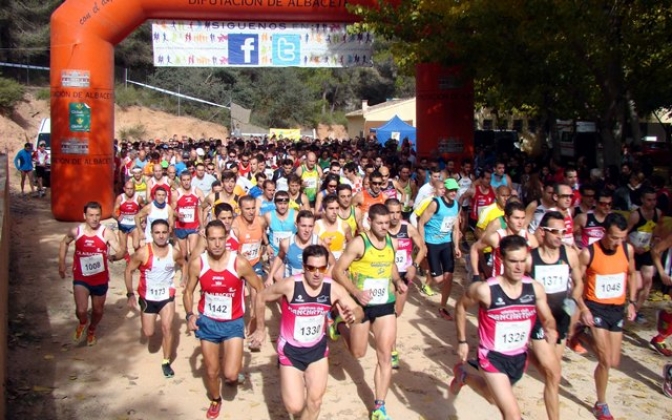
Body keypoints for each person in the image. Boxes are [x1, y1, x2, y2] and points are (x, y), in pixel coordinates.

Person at [452, 235, 557, 420]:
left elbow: (547, 317)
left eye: (523, 261)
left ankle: (464, 377)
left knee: (493, 397)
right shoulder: (485, 290)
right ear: (501, 258)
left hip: (518, 357)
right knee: (512, 414)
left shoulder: (535, 289)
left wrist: (550, 328)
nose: (519, 267)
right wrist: (462, 341)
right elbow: (461, 306)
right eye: (513, 261)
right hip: (491, 357)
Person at [251, 245, 362, 420]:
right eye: (311, 268)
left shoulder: (332, 288)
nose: (317, 273)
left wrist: (352, 316)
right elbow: (261, 297)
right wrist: (259, 329)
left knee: (315, 402)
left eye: (322, 268)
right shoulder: (290, 285)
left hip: (317, 350)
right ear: (304, 267)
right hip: (290, 350)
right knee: (294, 406)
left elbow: (358, 311)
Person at [331, 203, 407, 420]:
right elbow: (338, 271)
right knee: (358, 353)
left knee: (385, 355)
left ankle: (379, 407)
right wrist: (356, 291)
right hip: (361, 305)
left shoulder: (393, 241)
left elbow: (390, 264)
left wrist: (397, 280)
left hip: (385, 304)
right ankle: (338, 324)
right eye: (380, 223)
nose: (385, 226)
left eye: (387, 223)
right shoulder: (359, 243)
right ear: (370, 222)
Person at [184, 220, 264, 419]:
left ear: (227, 239)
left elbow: (259, 288)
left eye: (221, 239)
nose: (217, 244)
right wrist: (190, 315)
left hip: (232, 323)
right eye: (212, 239)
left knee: (230, 375)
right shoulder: (198, 263)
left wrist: (256, 318)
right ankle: (215, 399)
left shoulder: (239, 263)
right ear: (206, 240)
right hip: (208, 323)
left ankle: (235, 373)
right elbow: (187, 292)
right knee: (212, 372)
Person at [571, 213, 637, 420]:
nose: (618, 242)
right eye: (615, 237)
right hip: (596, 307)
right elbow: (576, 283)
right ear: (604, 233)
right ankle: (601, 403)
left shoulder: (627, 250)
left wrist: (632, 302)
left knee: (614, 360)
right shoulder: (589, 253)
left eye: (622, 238)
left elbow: (633, 274)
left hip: (616, 309)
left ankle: (580, 336)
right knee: (605, 361)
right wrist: (583, 308)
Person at [526, 211, 583, 420]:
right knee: (553, 375)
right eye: (555, 231)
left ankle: (523, 356)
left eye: (563, 231)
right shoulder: (529, 259)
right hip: (539, 320)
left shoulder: (569, 254)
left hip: (561, 318)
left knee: (552, 373)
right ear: (542, 232)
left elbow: (578, 284)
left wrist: (572, 305)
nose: (560, 235)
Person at [58, 201, 125, 346]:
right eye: (91, 215)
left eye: (97, 215)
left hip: (100, 279)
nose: (94, 219)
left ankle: (92, 330)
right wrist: (62, 264)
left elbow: (120, 251)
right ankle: (83, 322)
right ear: (84, 216)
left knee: (98, 310)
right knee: (81, 310)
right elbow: (64, 242)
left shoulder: (106, 233)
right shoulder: (77, 231)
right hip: (81, 277)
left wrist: (113, 257)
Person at [124, 219, 185, 378]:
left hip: (167, 296)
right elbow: (129, 270)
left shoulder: (174, 252)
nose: (161, 236)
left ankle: (166, 361)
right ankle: (148, 323)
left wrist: (183, 279)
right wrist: (130, 293)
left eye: (164, 232)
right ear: (151, 234)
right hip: (148, 297)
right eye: (157, 232)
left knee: (167, 328)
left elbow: (184, 264)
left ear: (168, 233)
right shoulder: (142, 253)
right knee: (149, 332)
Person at [385, 198, 426, 369]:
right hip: (386, 275)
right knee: (390, 314)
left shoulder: (407, 228)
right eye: (391, 212)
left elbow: (423, 248)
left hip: (404, 274)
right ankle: (392, 350)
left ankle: (383, 332)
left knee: (397, 312)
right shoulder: (382, 229)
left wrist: (414, 266)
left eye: (397, 212)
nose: (394, 216)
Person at [418, 179, 462, 320]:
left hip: (446, 243)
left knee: (448, 277)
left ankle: (443, 307)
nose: (454, 193)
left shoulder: (457, 205)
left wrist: (456, 246)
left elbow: (456, 228)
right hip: (432, 243)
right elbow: (421, 223)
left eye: (456, 190)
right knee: (438, 279)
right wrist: (422, 245)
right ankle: (428, 277)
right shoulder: (435, 204)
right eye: (451, 190)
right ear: (445, 190)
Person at [470, 201, 539, 281]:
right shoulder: (496, 237)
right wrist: (477, 273)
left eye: (523, 218)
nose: (520, 222)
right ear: (506, 218)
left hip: (521, 286)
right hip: (498, 285)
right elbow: (475, 248)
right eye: (516, 218)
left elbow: (538, 261)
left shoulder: (530, 239)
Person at [626, 187, 662, 323]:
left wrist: (655, 239)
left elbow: (656, 229)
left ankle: (635, 311)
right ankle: (630, 305)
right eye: (649, 200)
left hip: (646, 251)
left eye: (654, 200)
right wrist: (634, 248)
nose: (652, 203)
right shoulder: (636, 215)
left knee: (648, 282)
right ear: (642, 200)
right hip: (634, 253)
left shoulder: (657, 213)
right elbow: (624, 234)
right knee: (638, 285)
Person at [231, 195, 269, 278]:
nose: (251, 212)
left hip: (255, 263)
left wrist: (267, 244)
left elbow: (262, 231)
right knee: (243, 290)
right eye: (247, 209)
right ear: (240, 208)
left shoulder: (260, 221)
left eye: (253, 208)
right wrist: (239, 255)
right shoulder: (235, 226)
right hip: (239, 265)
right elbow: (229, 249)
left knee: (257, 289)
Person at [172, 170, 206, 260]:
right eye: (184, 180)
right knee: (183, 254)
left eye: (188, 180)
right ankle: (186, 268)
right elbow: (171, 211)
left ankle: (191, 271)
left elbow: (205, 206)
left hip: (193, 226)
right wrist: (177, 214)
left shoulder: (197, 191)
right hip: (180, 226)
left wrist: (202, 224)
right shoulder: (176, 194)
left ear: (191, 180)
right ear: (181, 180)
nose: (186, 182)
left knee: (192, 250)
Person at [314, 194, 353, 260]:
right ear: (324, 210)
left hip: (339, 265)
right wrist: (322, 244)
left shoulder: (345, 226)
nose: (335, 212)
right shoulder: (316, 226)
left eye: (337, 208)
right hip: (322, 265)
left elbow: (352, 246)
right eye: (331, 208)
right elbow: (310, 250)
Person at [264, 190, 297, 260]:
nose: (283, 206)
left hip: (291, 253)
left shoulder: (295, 215)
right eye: (280, 203)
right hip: (275, 253)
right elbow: (261, 230)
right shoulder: (268, 215)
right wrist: (267, 245)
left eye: (285, 203)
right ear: (275, 203)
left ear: (288, 203)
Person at [113, 180, 143, 254]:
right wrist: (117, 216)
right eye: (128, 189)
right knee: (123, 249)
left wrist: (142, 219)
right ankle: (128, 262)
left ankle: (139, 260)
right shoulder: (120, 198)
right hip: (123, 224)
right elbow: (115, 211)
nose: (129, 191)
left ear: (134, 189)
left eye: (131, 189)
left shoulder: (138, 198)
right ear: (124, 189)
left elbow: (144, 209)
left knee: (136, 245)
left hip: (134, 225)